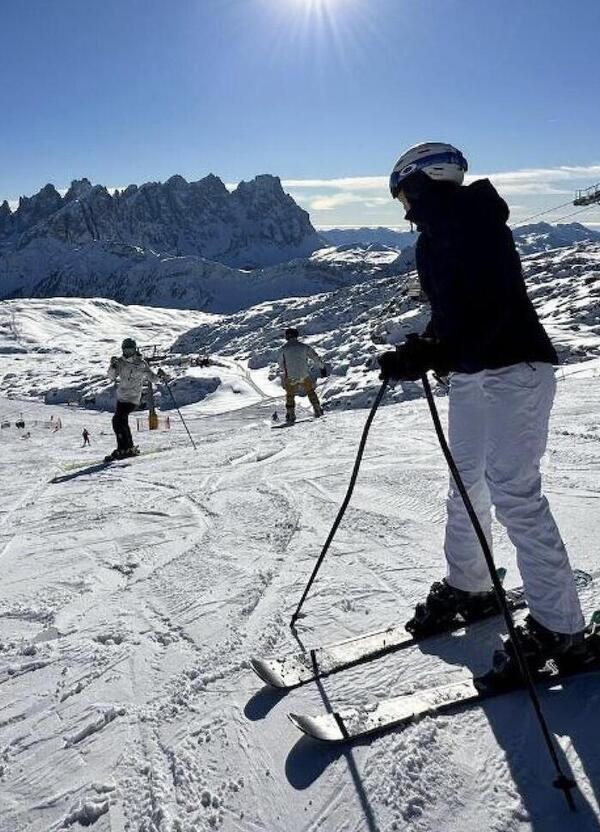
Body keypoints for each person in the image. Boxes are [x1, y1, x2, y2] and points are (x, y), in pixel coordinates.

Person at [378, 142, 585, 682]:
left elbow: (493, 310)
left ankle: (560, 626)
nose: (402, 207)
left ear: (422, 182)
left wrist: (434, 351)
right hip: (473, 372)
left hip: (514, 366)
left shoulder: (473, 221)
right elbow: (457, 314)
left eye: (402, 193)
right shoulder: (438, 236)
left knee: (513, 488)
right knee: (466, 480)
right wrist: (422, 346)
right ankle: (471, 585)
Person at [106, 338, 159, 460]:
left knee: (117, 420)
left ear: (135, 350)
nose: (128, 353)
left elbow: (152, 377)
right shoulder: (120, 362)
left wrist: (160, 377)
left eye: (131, 350)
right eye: (126, 350)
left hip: (133, 397)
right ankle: (128, 447)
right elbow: (111, 377)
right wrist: (112, 366)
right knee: (121, 421)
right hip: (121, 397)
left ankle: (123, 447)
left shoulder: (141, 364)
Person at [278, 328, 327, 423]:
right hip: (304, 374)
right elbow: (315, 357)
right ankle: (317, 409)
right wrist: (322, 368)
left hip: (290, 376)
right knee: (310, 392)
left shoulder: (283, 349)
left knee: (290, 395)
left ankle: (291, 414)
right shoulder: (304, 347)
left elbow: (280, 363)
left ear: (287, 336)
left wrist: (284, 371)